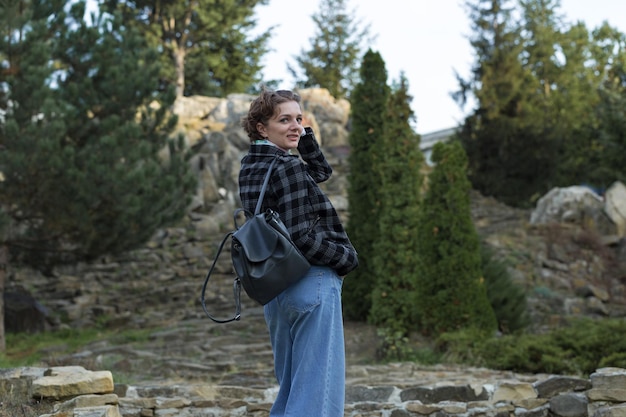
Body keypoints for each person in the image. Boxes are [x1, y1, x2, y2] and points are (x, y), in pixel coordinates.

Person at [240, 88, 359, 416]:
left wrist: (302, 138)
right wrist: (346, 258)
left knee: (294, 390)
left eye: (299, 119)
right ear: (262, 127)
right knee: (316, 394)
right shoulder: (288, 168)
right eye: (284, 120)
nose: (295, 126)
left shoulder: (250, 165)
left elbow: (320, 173)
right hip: (311, 281)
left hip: (275, 289)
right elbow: (302, 237)